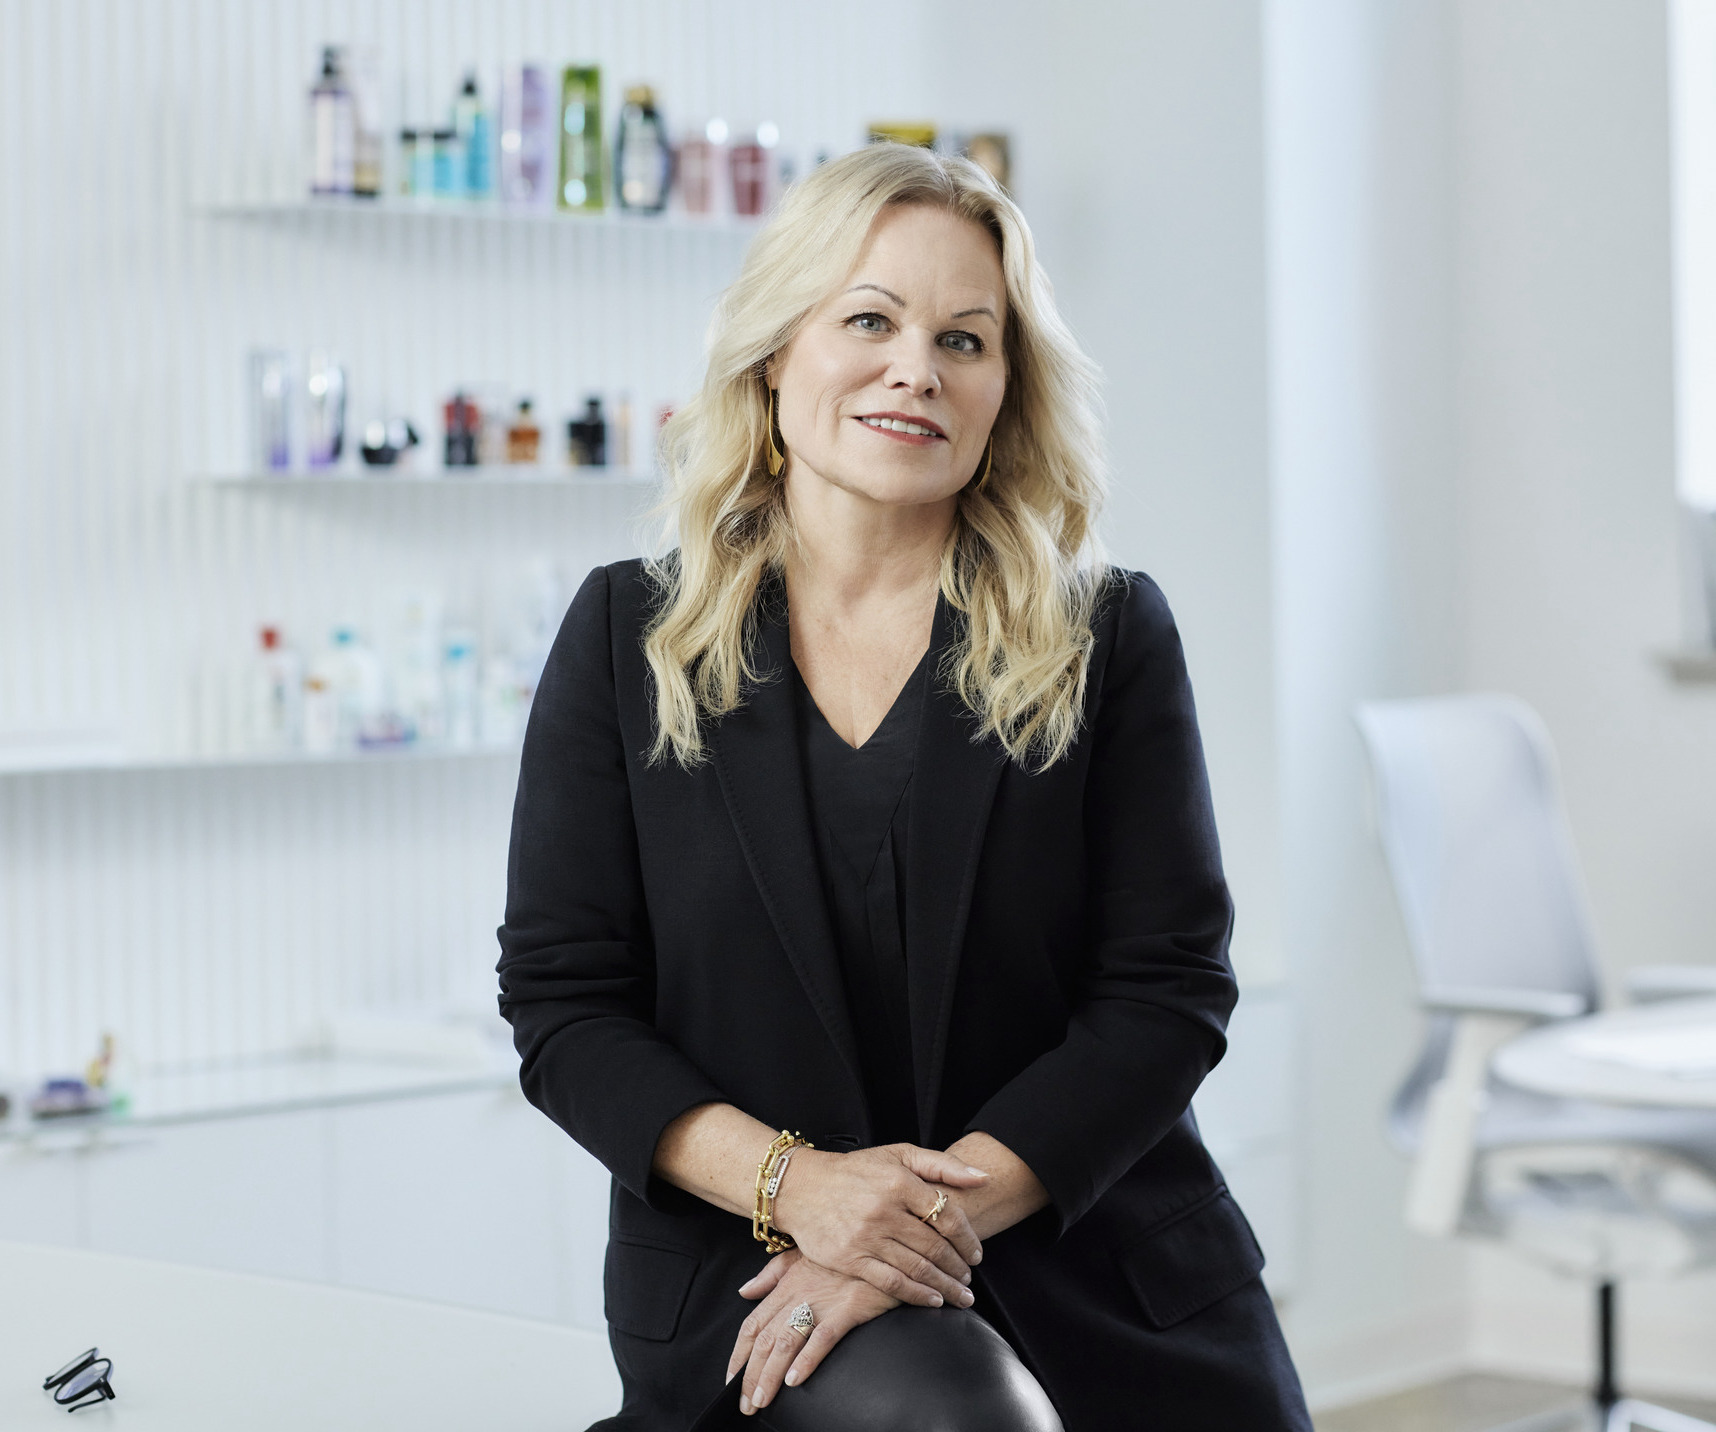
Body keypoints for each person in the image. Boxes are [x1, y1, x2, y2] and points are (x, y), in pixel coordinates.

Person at [496, 142, 1311, 1431]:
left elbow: (1165, 992)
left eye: (964, 339)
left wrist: (899, 1224)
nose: (916, 369)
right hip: (759, 1286)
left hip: (1097, 1277)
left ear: (1005, 390)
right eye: (869, 320)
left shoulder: (1105, 636)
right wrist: (802, 1193)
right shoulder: (626, 639)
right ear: (777, 354)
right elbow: (566, 1005)